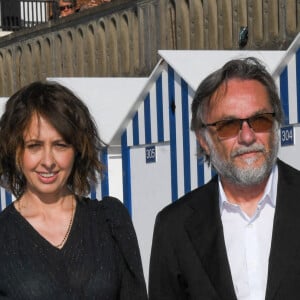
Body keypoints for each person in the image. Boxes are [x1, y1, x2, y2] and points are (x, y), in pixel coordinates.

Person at [148, 57, 300, 300]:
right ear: (203, 139)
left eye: (260, 120)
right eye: (229, 125)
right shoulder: (174, 228)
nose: (248, 137)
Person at [0, 81, 148, 299]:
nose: (48, 161)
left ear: (78, 149)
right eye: (34, 146)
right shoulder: (4, 236)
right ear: (15, 151)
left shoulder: (110, 221)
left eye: (60, 145)